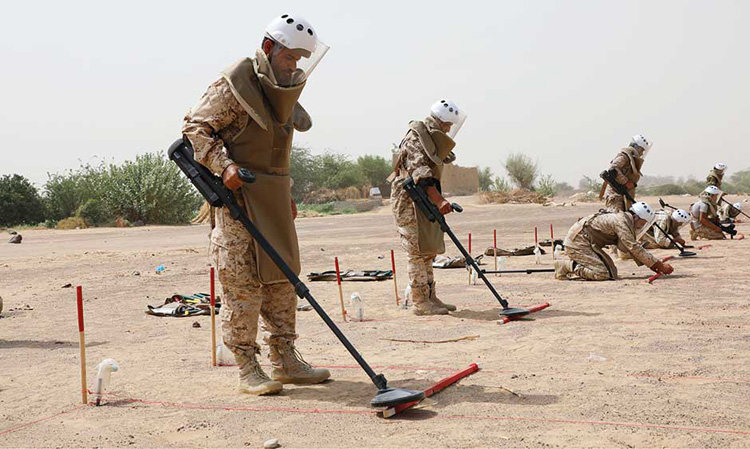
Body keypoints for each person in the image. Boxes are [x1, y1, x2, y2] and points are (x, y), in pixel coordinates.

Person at [182, 14, 331, 395]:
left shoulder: (280, 91)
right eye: (289, 57)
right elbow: (195, 129)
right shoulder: (235, 85)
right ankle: (248, 366)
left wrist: (285, 192)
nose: (294, 66)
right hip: (238, 200)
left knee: (282, 279)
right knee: (242, 285)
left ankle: (285, 360)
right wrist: (224, 166)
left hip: (273, 198)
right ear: (268, 48)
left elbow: (275, 151)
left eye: (299, 60)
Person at [389, 100, 467, 315]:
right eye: (447, 125)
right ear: (439, 121)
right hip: (409, 201)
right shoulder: (416, 137)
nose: (449, 129)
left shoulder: (429, 137)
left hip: (422, 199)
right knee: (416, 251)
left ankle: (431, 297)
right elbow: (421, 173)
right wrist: (439, 200)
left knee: (427, 250)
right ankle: (420, 302)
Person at [555, 202, 673, 281]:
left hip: (586, 243)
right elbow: (634, 247)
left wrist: (653, 265)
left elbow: (629, 248)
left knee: (612, 273)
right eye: (642, 223)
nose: (640, 227)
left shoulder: (623, 219)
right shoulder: (621, 222)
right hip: (578, 243)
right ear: (636, 217)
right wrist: (658, 264)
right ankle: (566, 266)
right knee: (602, 274)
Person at [601, 134, 652, 212]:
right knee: (617, 217)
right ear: (636, 147)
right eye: (641, 150)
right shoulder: (624, 157)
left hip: (622, 195)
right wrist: (626, 182)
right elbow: (613, 169)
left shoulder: (630, 158)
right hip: (615, 195)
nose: (642, 153)